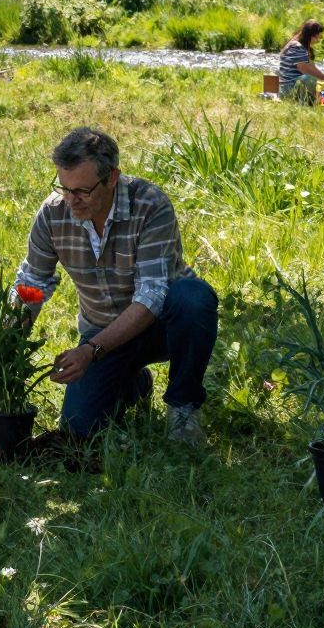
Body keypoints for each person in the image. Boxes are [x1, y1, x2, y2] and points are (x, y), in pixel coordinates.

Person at [15, 126, 218, 446]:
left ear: (112, 178)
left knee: (193, 298)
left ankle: (183, 408)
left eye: (82, 191)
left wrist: (89, 351)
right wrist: (7, 337)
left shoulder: (149, 206)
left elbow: (152, 296)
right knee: (79, 428)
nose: (71, 200)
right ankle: (133, 383)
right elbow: (33, 282)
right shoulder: (53, 213)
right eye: (64, 188)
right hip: (103, 330)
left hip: (162, 326)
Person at [278, 19, 324, 100]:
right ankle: (309, 99)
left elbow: (311, 67)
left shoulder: (297, 45)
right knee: (309, 79)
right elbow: (304, 69)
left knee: (316, 80)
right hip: (289, 89)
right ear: (310, 35)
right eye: (318, 37)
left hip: (288, 88)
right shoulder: (297, 47)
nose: (318, 41)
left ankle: (312, 98)